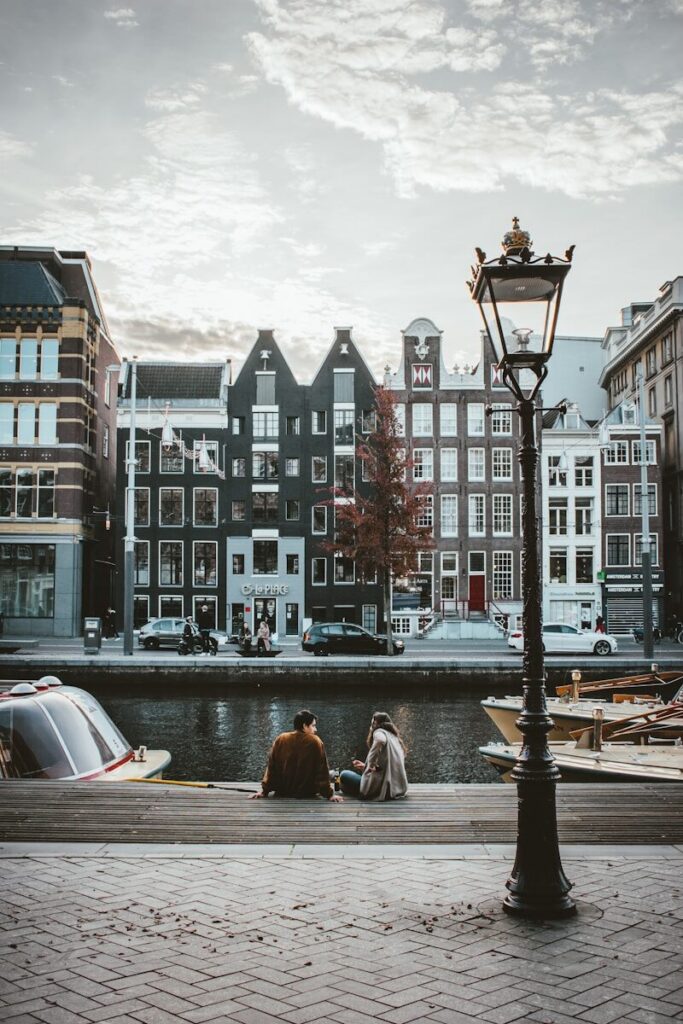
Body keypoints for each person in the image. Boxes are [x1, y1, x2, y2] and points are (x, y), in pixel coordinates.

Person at [250, 709, 343, 801]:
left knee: (332, 773)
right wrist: (329, 795)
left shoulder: (281, 738)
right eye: (313, 726)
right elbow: (322, 771)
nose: (315, 729)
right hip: (306, 792)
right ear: (304, 726)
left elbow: (271, 768)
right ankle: (337, 781)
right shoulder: (315, 741)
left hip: (283, 791)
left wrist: (264, 791)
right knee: (335, 773)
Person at [340, 712, 408, 801]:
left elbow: (380, 740)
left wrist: (370, 765)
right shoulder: (394, 737)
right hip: (397, 789)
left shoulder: (379, 732)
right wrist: (365, 766)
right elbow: (386, 767)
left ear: (376, 724)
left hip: (382, 788)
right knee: (346, 783)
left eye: (373, 724)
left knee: (344, 774)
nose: (371, 727)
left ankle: (355, 791)